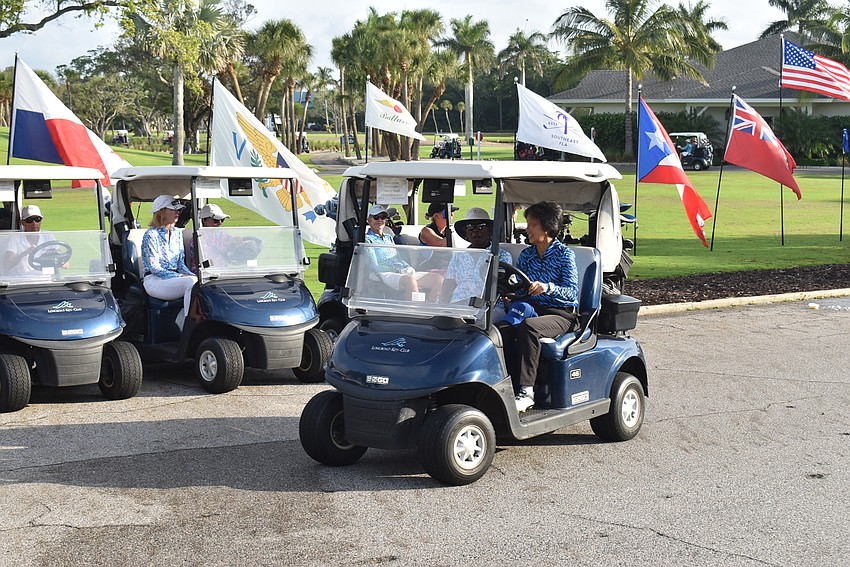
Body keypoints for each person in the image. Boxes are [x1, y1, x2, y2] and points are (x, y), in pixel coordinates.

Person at [497, 201, 579, 413]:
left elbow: (572, 293)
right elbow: (521, 288)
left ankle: (526, 392)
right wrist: (511, 295)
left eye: (532, 224)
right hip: (532, 309)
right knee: (497, 332)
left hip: (561, 315)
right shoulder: (527, 255)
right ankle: (497, 386)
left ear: (547, 227)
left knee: (530, 327)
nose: (527, 229)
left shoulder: (564, 255)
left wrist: (547, 288)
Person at [365, 204, 443, 301]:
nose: (380, 220)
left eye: (383, 217)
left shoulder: (388, 237)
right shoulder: (367, 239)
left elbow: (397, 257)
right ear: (369, 220)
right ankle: (414, 311)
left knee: (437, 279)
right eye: (376, 217)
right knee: (410, 281)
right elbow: (373, 264)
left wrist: (406, 267)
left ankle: (430, 310)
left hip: (399, 271)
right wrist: (397, 270)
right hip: (382, 273)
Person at [141, 195, 197, 328]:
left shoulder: (177, 233)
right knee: (191, 282)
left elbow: (180, 264)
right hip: (154, 280)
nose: (178, 212)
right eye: (173, 209)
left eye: (178, 210)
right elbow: (155, 268)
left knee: (197, 281)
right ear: (161, 212)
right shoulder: (151, 235)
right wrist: (179, 276)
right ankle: (189, 326)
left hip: (173, 278)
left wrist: (192, 275)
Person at [443, 207, 512, 314]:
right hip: (458, 303)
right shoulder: (458, 256)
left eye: (481, 227)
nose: (475, 231)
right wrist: (444, 306)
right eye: (470, 228)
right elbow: (449, 284)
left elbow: (500, 287)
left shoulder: (501, 255)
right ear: (466, 233)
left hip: (489, 307)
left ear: (490, 231)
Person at [4, 205, 60, 276]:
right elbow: (7, 264)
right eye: (29, 220)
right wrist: (25, 253)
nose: (34, 224)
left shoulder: (47, 235)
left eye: (38, 219)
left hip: (45, 277)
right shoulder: (15, 238)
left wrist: (59, 260)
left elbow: (63, 261)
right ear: (22, 222)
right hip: (22, 279)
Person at [187, 203, 232, 273]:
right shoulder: (197, 238)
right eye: (216, 220)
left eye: (222, 220)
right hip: (204, 273)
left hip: (223, 272)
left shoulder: (223, 235)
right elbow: (209, 256)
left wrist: (237, 244)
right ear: (204, 220)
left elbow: (232, 249)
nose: (220, 223)